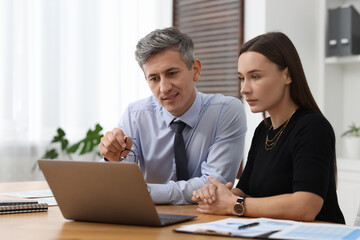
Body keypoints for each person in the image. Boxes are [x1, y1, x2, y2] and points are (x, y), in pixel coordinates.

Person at [192, 32, 345, 224]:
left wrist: (234, 204)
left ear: (287, 75)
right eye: (241, 78)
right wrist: (216, 195)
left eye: (255, 76)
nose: (244, 89)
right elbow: (245, 190)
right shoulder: (264, 130)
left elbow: (306, 207)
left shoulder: (313, 127)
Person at [99, 27, 247, 205]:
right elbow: (120, 185)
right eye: (154, 78)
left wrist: (145, 192)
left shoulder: (226, 111)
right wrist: (114, 158)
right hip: (150, 221)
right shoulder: (135, 115)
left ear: (196, 70)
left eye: (172, 73)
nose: (164, 88)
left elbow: (215, 183)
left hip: (207, 220)